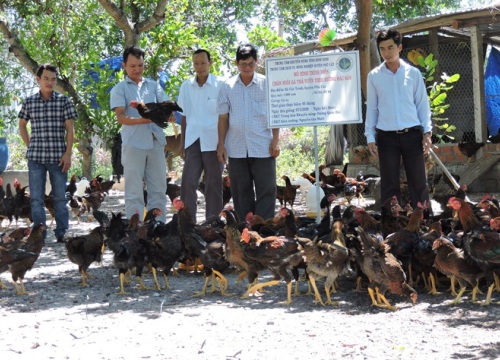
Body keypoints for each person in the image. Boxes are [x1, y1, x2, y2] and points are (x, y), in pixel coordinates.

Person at [365, 29, 432, 209]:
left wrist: (427, 132)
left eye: (390, 47)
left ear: (400, 47)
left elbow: (422, 105)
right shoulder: (374, 77)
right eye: (382, 49)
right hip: (386, 137)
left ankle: (424, 223)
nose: (386, 53)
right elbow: (371, 108)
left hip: (412, 135)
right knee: (389, 184)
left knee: (418, 181)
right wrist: (370, 136)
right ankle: (391, 227)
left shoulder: (413, 73)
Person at [217, 44, 280, 222]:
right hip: (236, 148)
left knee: (266, 191)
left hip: (263, 146)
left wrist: (275, 141)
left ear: (256, 62)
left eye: (251, 64)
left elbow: (276, 114)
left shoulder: (267, 84)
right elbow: (223, 118)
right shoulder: (227, 86)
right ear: (236, 63)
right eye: (243, 64)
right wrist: (221, 145)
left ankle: (264, 231)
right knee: (240, 193)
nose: (247, 68)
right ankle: (245, 231)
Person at [18, 64, 76, 242]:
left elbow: (70, 129)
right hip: (36, 158)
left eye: (53, 79)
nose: (50, 82)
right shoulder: (29, 102)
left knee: (59, 198)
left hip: (58, 158)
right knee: (36, 198)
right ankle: (39, 234)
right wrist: (30, 145)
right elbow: (22, 125)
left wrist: (68, 154)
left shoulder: (64, 101)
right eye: (46, 78)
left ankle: (61, 233)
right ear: (38, 79)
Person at [110, 46, 168, 222]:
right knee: (134, 191)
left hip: (156, 142)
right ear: (124, 65)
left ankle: (158, 228)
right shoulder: (119, 89)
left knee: (158, 189)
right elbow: (121, 117)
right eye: (132, 66)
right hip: (133, 144)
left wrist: (169, 115)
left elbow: (165, 107)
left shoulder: (154, 86)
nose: (137, 69)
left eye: (140, 65)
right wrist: (147, 119)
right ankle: (135, 231)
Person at [178, 49, 224, 222]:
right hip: (192, 141)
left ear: (210, 62)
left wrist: (222, 144)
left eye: (203, 63)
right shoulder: (186, 86)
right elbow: (183, 115)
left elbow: (224, 116)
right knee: (188, 183)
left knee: (213, 185)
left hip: (214, 142)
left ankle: (213, 224)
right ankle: (188, 224)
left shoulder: (220, 84)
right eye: (196, 63)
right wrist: (182, 143)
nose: (200, 67)